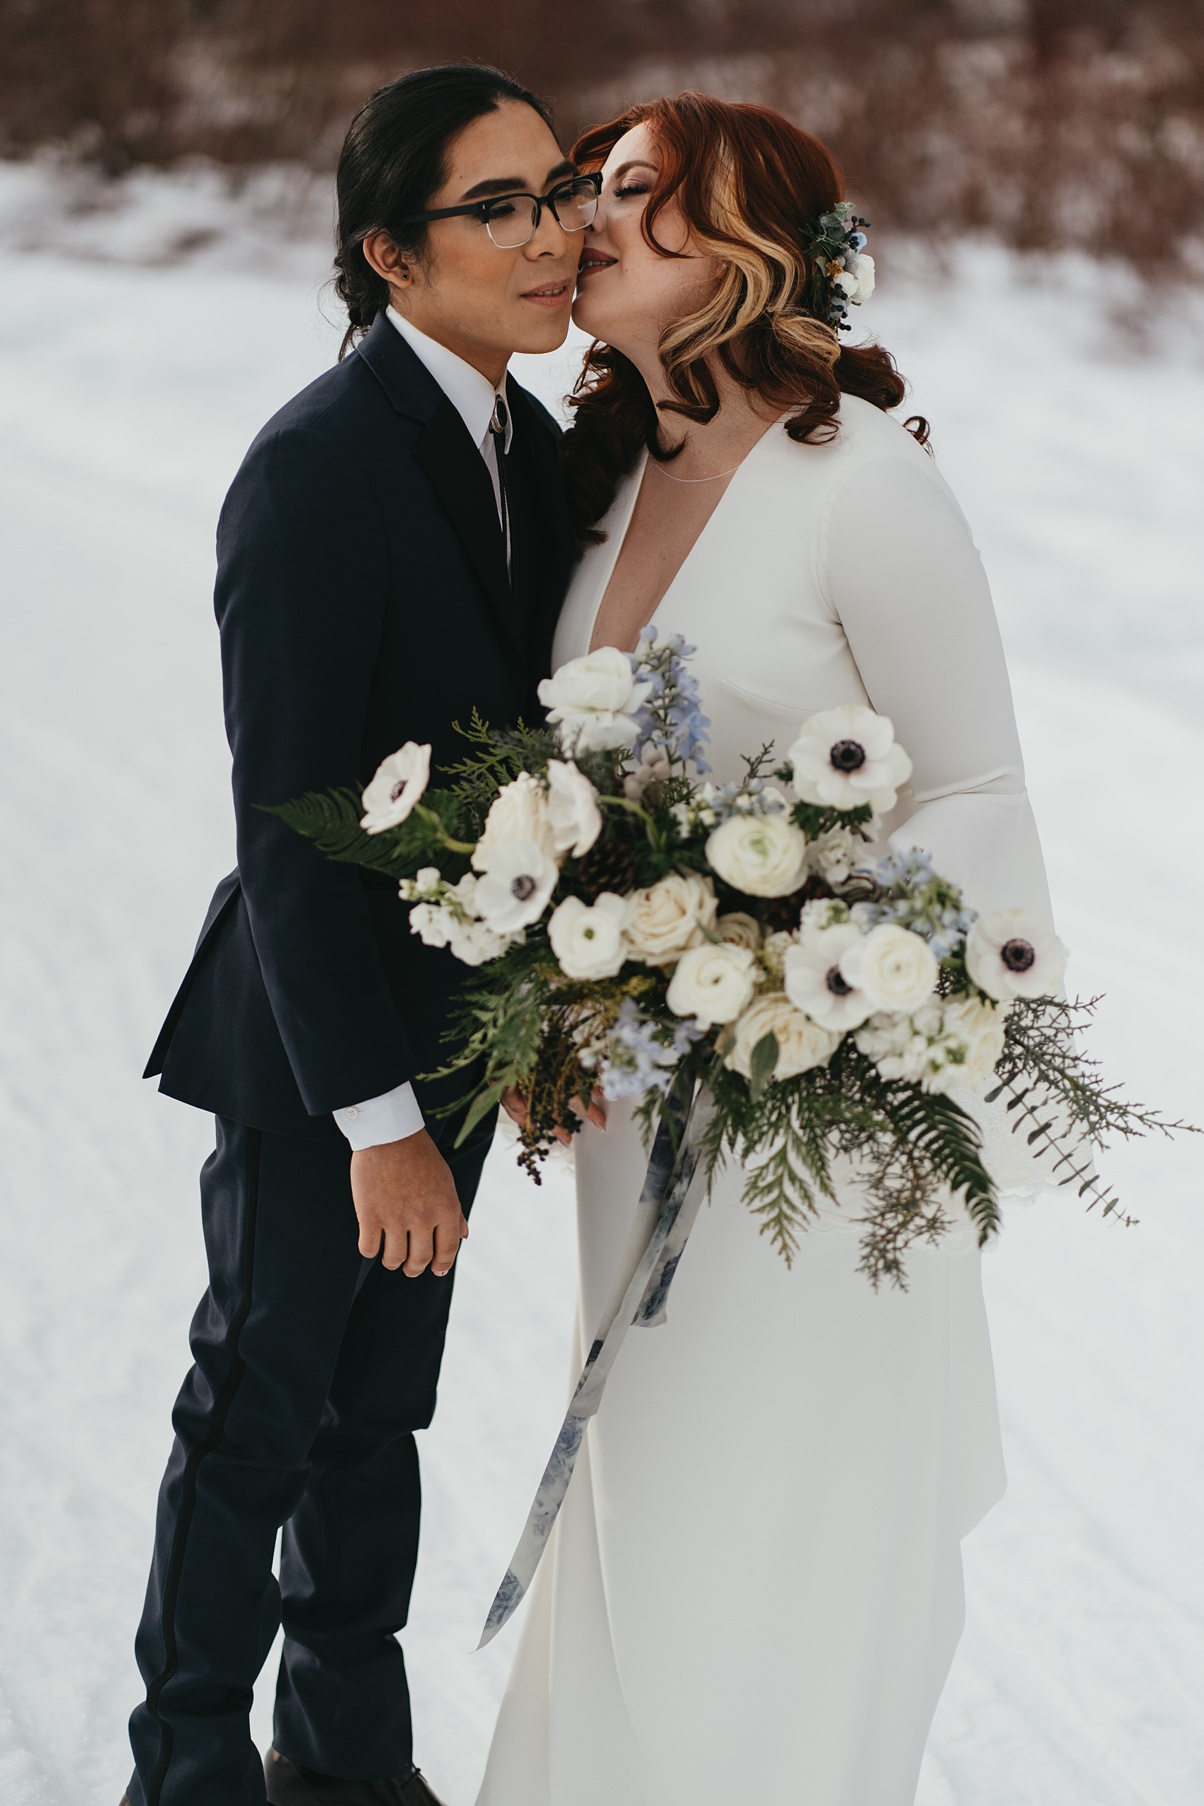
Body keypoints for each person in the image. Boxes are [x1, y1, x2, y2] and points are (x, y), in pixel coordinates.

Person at [478, 93, 1053, 1806]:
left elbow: (975, 781)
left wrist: (825, 971)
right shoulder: (592, 479)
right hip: (641, 1092)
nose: (587, 216)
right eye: (590, 186)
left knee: (779, 1486)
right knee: (643, 1469)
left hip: (812, 1100)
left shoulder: (861, 485)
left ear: (748, 245)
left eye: (635, 193)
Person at [124, 63, 588, 1806]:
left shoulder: (521, 444)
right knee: (254, 1413)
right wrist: (377, 1123)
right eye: (502, 207)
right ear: (394, 255)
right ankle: (181, 1773)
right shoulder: (317, 470)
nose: (552, 235)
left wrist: (522, 1035)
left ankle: (342, 1755)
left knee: (373, 1420)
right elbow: (293, 828)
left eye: (560, 190)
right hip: (320, 1052)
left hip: (457, 1039)